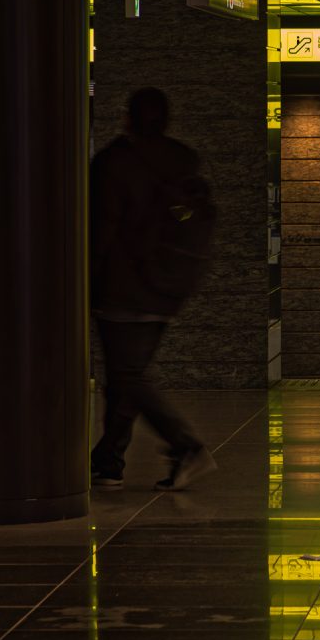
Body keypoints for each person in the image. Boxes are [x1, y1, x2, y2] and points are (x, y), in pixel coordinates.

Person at [89, 87, 214, 491]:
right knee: (127, 374)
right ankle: (108, 460)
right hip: (170, 285)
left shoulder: (114, 163)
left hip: (124, 286)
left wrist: (86, 278)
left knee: (127, 374)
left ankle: (185, 446)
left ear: (128, 117)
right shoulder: (183, 159)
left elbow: (101, 231)